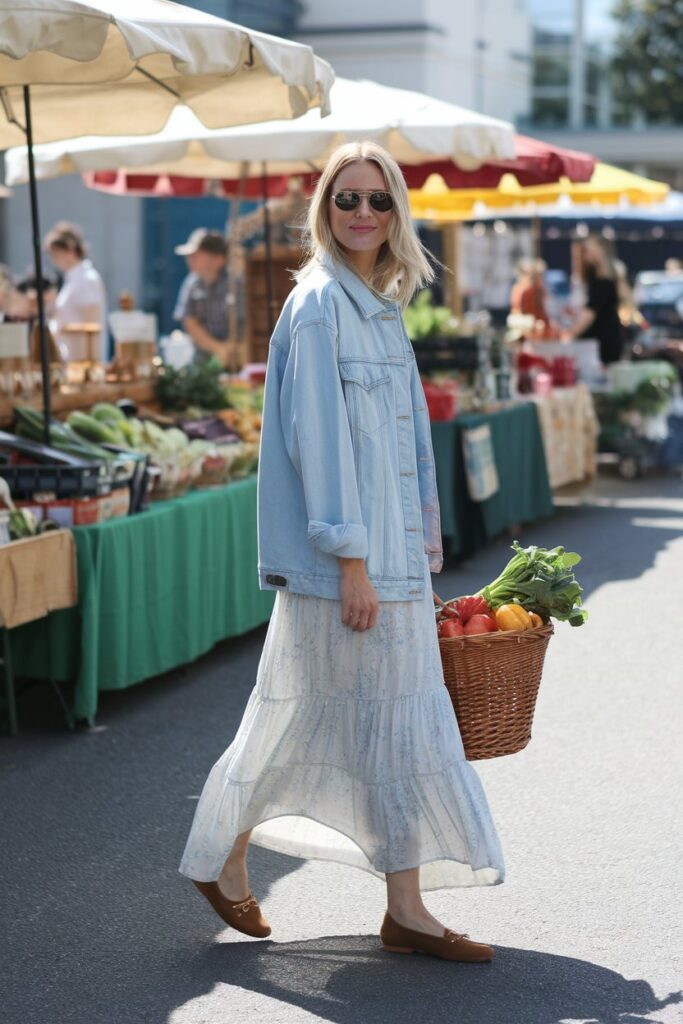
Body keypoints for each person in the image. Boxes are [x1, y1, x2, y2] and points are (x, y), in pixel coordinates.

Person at [179, 141, 504, 964]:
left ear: (397, 213)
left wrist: (416, 549)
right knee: (309, 715)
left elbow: (404, 451)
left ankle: (403, 909)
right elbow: (315, 445)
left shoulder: (378, 303)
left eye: (377, 201)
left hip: (385, 560)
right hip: (345, 567)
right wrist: (353, 560)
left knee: (378, 720)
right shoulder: (322, 304)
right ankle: (228, 853)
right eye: (345, 199)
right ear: (323, 209)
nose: (361, 214)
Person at [44, 222, 108, 360]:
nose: (54, 260)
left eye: (56, 254)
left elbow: (92, 327)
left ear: (70, 251)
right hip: (69, 358)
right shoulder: (73, 279)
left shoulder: (87, 279)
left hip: (81, 362)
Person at [175, 229, 234, 367]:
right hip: (201, 361)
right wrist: (217, 348)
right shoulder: (191, 284)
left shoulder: (234, 283)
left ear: (218, 259)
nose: (190, 259)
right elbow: (189, 322)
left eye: (197, 254)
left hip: (236, 358)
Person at [566, 235, 624, 364]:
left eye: (587, 251)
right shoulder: (599, 280)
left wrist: (568, 335)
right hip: (601, 341)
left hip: (603, 344)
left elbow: (589, 314)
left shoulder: (603, 283)